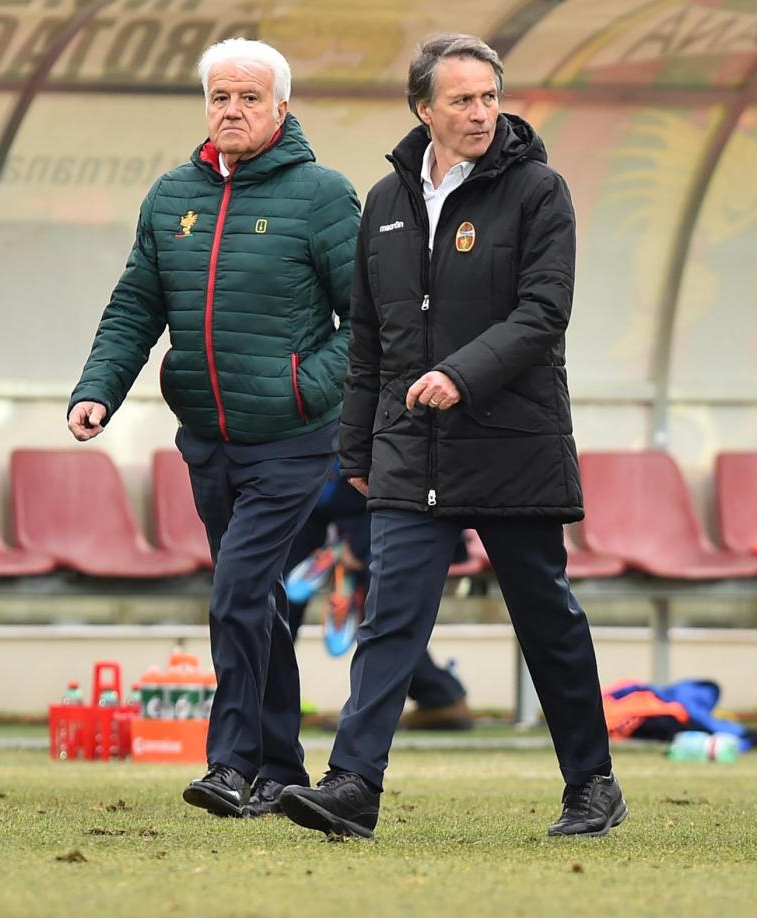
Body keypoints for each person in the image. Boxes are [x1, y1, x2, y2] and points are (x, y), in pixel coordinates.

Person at [279, 34, 626, 839]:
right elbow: (370, 339)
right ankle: (353, 786)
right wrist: (356, 450)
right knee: (389, 620)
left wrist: (461, 376)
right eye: (462, 99)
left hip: (514, 444)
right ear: (423, 109)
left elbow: (544, 312)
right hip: (410, 446)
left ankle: (592, 785)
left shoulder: (540, 192)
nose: (480, 113)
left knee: (546, 619)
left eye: (489, 97)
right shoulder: (384, 203)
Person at [67, 38, 360, 820]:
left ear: (281, 108)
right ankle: (281, 770)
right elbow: (135, 308)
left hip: (293, 440)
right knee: (256, 600)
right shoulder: (171, 198)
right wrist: (98, 391)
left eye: (249, 98)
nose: (232, 110)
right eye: (220, 97)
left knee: (235, 594)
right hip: (207, 441)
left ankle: (230, 764)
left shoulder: (323, 195)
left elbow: (370, 323)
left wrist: (302, 388)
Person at [283, 462, 473, 732]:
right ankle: (270, 699)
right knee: (278, 590)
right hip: (322, 501)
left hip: (394, 508)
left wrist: (358, 545)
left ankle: (434, 699)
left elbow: (396, 469)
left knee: (382, 607)